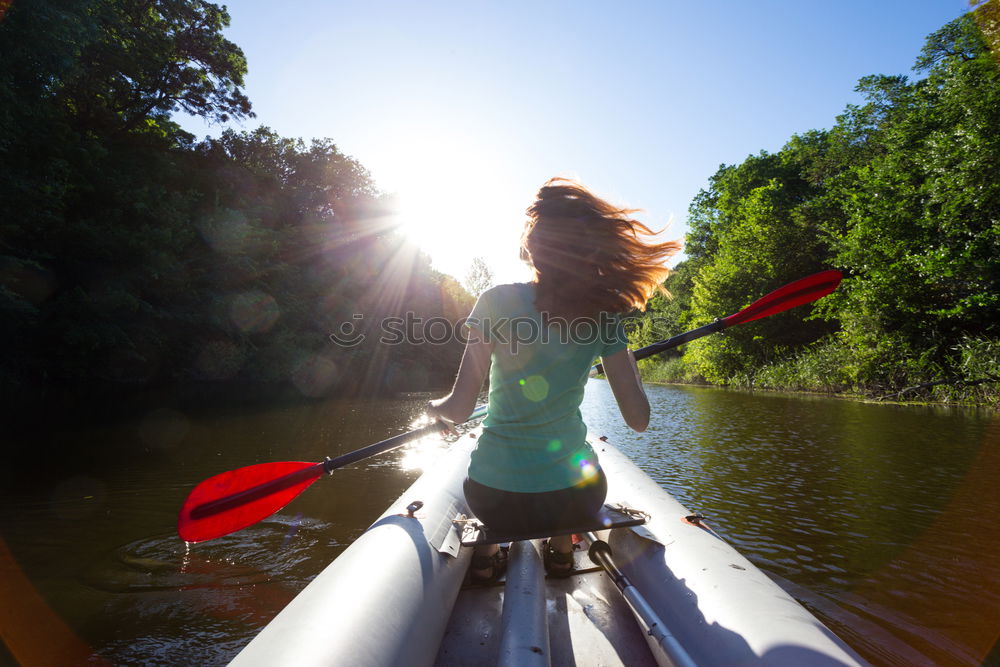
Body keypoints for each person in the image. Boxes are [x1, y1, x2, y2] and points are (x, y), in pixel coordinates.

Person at [427, 178, 681, 582]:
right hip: (576, 500)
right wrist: (622, 354)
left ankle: (489, 552)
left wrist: (432, 409)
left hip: (495, 500)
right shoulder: (605, 317)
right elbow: (639, 419)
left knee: (492, 487)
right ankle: (562, 551)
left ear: (532, 247)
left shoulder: (496, 301)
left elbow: (458, 411)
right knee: (576, 477)